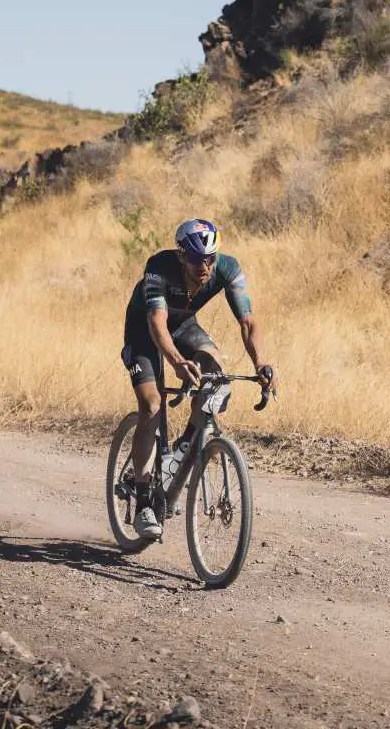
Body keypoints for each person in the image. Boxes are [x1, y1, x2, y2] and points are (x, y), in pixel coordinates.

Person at [120, 219, 276, 539]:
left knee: (217, 380)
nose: (204, 266)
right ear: (181, 256)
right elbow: (156, 321)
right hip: (145, 331)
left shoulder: (227, 268)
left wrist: (260, 364)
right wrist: (176, 361)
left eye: (210, 258)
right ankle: (144, 502)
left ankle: (179, 452)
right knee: (151, 404)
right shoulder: (159, 267)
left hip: (184, 328)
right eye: (196, 259)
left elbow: (247, 322)